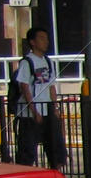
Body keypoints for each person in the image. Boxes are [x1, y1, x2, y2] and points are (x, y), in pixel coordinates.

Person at [14, 27, 64, 169]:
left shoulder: (48, 61)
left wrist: (55, 107)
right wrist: (34, 111)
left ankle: (55, 172)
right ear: (32, 42)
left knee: (55, 146)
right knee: (28, 148)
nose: (46, 42)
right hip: (29, 114)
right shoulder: (27, 62)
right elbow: (24, 87)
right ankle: (26, 174)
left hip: (47, 109)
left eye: (46, 38)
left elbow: (51, 86)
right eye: (41, 38)